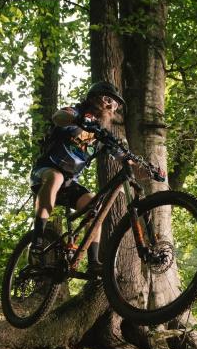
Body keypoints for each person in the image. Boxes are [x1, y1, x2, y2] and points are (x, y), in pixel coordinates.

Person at [29, 81, 125, 276]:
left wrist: (147, 168)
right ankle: (37, 242)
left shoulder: (101, 134)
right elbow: (59, 117)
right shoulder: (76, 111)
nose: (110, 106)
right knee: (55, 177)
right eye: (107, 100)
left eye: (114, 105)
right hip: (45, 172)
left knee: (93, 206)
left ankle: (93, 262)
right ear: (93, 98)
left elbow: (123, 158)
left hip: (68, 182)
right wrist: (78, 120)